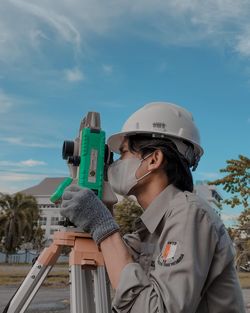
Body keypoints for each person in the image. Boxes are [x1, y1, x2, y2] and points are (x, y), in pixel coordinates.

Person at [60, 102, 245, 312]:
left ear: (154, 159)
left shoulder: (190, 214)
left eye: (123, 154)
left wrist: (102, 225)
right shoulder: (151, 226)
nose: (113, 165)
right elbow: (120, 266)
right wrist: (100, 209)